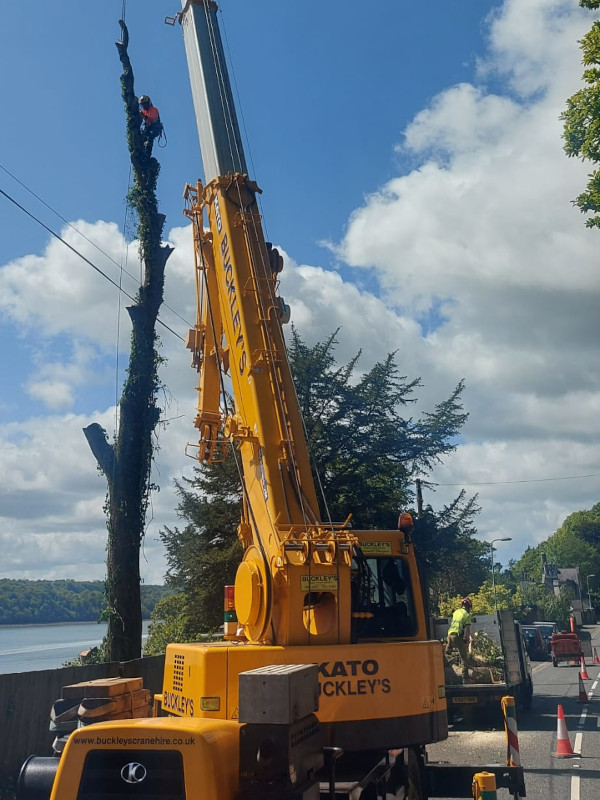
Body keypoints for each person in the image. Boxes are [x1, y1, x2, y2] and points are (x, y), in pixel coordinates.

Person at [445, 597, 473, 680]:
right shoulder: (467, 615)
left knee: (447, 654)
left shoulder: (456, 612)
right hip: (457, 636)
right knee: (464, 657)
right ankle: (465, 676)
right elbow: (467, 631)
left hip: (449, 636)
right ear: (469, 606)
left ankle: (446, 668)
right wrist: (466, 640)